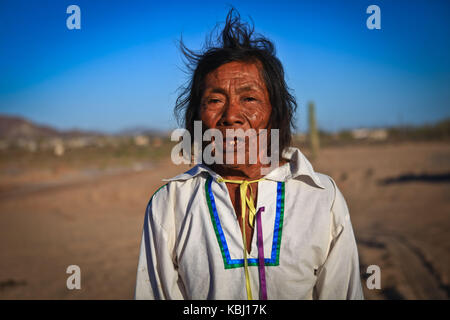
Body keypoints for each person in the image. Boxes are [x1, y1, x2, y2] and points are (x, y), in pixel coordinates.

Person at [134, 9, 364, 300]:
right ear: (197, 116)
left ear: (275, 112)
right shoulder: (169, 203)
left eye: (249, 98)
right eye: (215, 100)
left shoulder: (321, 197)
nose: (231, 115)